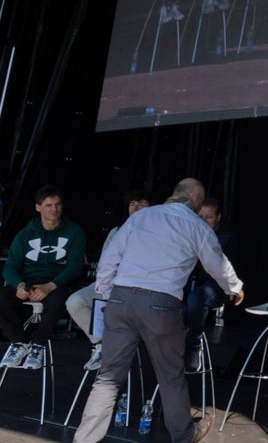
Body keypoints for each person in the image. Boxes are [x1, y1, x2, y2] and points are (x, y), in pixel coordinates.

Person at [72, 178, 244, 443]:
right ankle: (185, 436)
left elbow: (109, 258)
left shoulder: (141, 217)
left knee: (107, 379)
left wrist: (109, 294)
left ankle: (83, 440)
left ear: (174, 194)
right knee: (170, 376)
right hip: (161, 305)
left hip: (121, 299)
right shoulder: (196, 225)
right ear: (196, 201)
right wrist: (234, 287)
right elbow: (216, 262)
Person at [0, 185, 86, 370]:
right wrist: (20, 285)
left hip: (58, 282)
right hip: (30, 280)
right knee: (2, 298)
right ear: (38, 207)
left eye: (57, 205)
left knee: (57, 301)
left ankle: (38, 345)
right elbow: (11, 266)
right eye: (48, 205)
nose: (54, 209)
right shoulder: (25, 234)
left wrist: (50, 286)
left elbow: (75, 266)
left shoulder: (75, 231)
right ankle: (20, 342)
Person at [65, 189, 151, 371]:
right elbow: (105, 262)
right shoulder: (117, 230)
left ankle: (113, 351)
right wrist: (105, 287)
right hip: (110, 284)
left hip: (137, 290)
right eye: (132, 204)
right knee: (75, 301)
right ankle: (101, 344)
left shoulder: (157, 234)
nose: (135, 208)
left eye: (141, 204)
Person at [183, 196, 241, 372]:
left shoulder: (227, 238)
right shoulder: (188, 233)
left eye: (208, 217)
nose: (203, 221)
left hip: (215, 285)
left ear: (218, 217)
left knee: (197, 298)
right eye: (200, 217)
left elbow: (227, 269)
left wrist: (233, 287)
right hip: (189, 281)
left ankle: (194, 347)